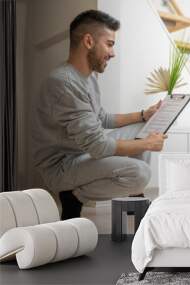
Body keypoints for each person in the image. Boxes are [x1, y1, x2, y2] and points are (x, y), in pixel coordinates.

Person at [33, 10, 167, 220]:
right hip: (62, 166)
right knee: (140, 173)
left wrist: (143, 114)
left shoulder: (88, 76)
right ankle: (74, 196)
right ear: (88, 41)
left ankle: (133, 197)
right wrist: (148, 144)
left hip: (83, 152)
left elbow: (101, 117)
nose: (113, 53)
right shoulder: (64, 83)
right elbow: (99, 146)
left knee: (144, 128)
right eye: (110, 44)